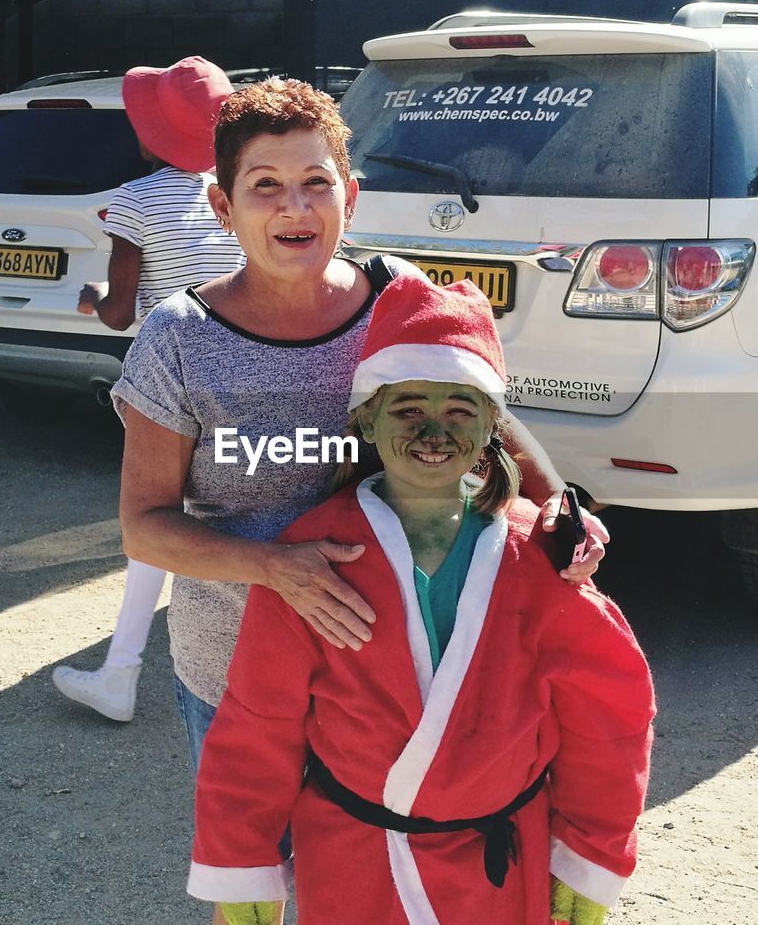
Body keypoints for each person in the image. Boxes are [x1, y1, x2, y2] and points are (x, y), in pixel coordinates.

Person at [110, 77, 609, 782]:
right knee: (253, 878)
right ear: (223, 205)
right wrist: (277, 570)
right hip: (239, 673)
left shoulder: (396, 296)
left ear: (351, 194)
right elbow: (145, 527)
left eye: (317, 182)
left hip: (395, 664)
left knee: (373, 885)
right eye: (264, 185)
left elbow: (485, 421)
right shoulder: (179, 340)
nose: (294, 206)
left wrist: (560, 506)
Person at [186, 275, 655, 925]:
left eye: (459, 410)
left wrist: (591, 847)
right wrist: (241, 862)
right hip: (354, 863)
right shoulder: (317, 551)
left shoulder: (535, 555)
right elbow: (258, 722)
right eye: (408, 409)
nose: (433, 430)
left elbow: (606, 716)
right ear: (367, 417)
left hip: (500, 869)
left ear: (493, 421)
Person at [52, 57, 243, 722]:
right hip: (247, 374)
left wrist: (90, 299)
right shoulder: (246, 191)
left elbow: (121, 310)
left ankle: (121, 673)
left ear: (150, 134)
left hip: (169, 386)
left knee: (157, 525)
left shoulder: (134, 201)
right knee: (225, 521)